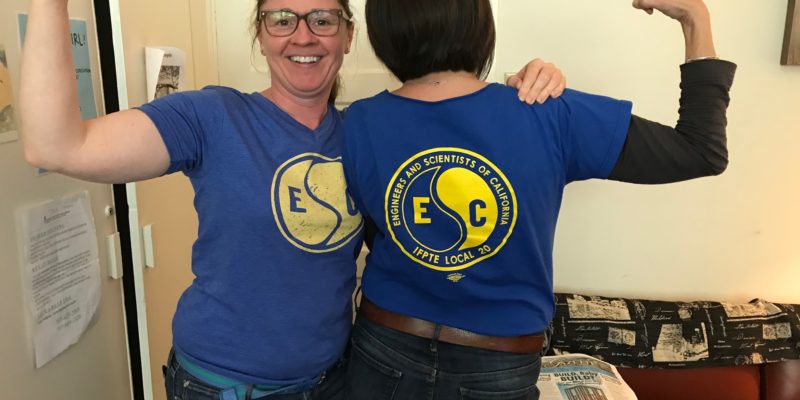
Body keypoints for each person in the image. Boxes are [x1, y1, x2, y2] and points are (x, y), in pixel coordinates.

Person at [18, 0, 565, 398]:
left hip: (335, 380)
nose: (303, 36)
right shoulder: (211, 117)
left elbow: (465, 134)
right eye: (282, 19)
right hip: (223, 386)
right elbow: (56, 145)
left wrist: (523, 88)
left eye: (322, 19)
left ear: (348, 35)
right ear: (261, 34)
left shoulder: (364, 133)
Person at [341, 0, 736, 399]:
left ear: (383, 30)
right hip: (498, 361)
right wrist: (695, 19)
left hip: (382, 346)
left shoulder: (358, 121)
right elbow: (700, 150)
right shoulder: (547, 111)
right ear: (479, 22)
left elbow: (377, 232)